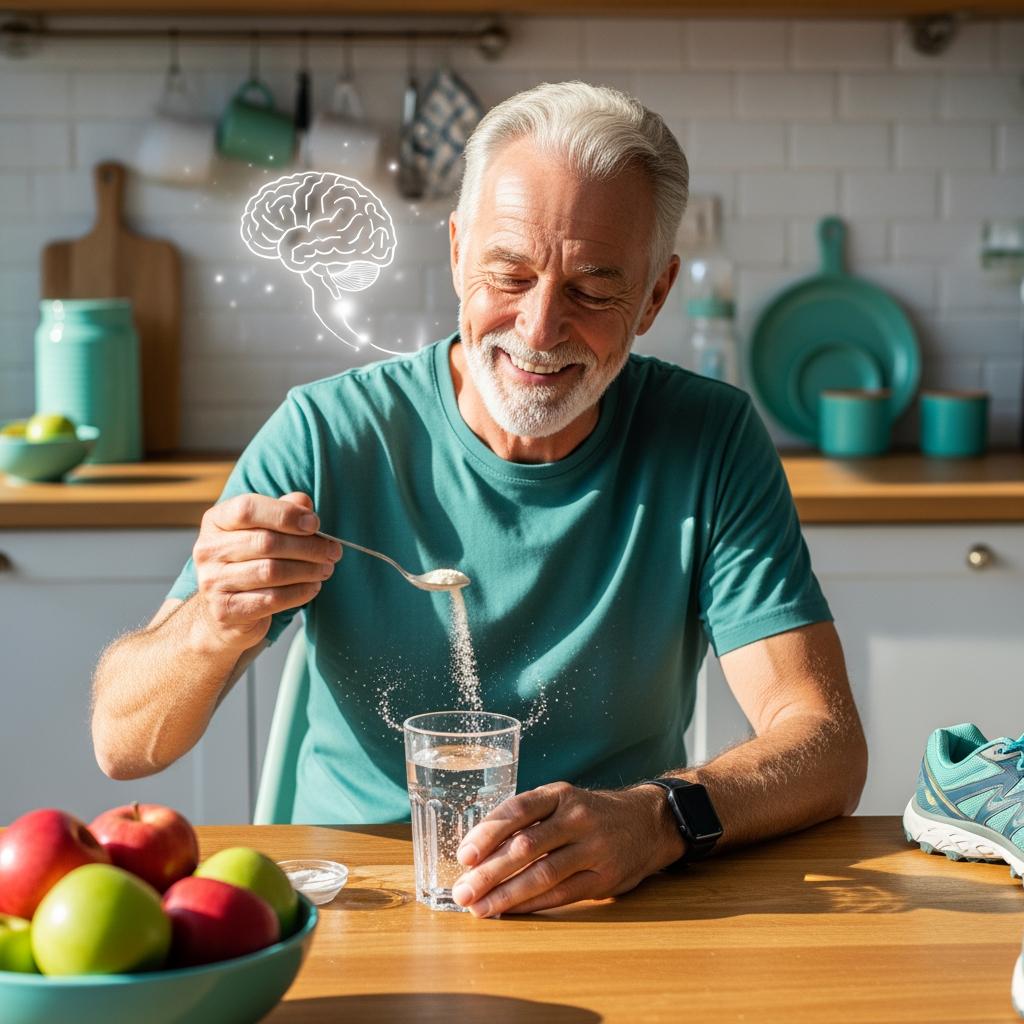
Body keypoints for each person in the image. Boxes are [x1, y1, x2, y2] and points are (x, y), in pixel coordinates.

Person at [91, 81, 867, 918]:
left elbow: (823, 744)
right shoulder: (328, 434)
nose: (538, 330)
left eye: (594, 291)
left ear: (655, 295)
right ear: (458, 251)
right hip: (365, 904)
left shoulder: (706, 438)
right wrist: (211, 622)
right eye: (509, 273)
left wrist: (658, 817)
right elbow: (123, 745)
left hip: (613, 908)